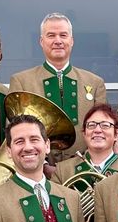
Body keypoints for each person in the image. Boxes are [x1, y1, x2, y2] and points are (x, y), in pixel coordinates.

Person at [10, 13, 108, 163]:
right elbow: (15, 131)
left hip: (84, 166)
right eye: (51, 35)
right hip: (37, 167)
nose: (58, 41)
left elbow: (103, 130)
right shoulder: (21, 81)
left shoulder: (95, 82)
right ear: (41, 41)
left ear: (72, 40)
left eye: (63, 35)